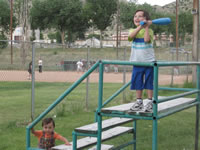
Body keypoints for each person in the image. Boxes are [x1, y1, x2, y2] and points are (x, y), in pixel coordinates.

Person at [128, 10, 155, 112]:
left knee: (149, 81)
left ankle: (149, 102)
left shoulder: (150, 31)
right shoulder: (132, 30)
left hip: (149, 62)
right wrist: (140, 26)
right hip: (137, 62)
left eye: (140, 16)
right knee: (137, 81)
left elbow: (146, 40)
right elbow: (131, 37)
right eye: (135, 16)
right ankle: (139, 102)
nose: (137, 18)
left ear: (146, 19)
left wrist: (146, 27)